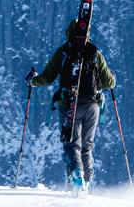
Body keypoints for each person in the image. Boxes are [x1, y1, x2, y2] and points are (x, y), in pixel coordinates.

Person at [27, 19, 116, 190]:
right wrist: (112, 76)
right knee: (86, 147)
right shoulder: (94, 52)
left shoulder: (64, 52)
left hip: (70, 104)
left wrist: (32, 81)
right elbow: (109, 82)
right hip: (92, 106)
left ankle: (77, 175)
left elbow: (47, 78)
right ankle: (86, 182)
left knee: (71, 144)